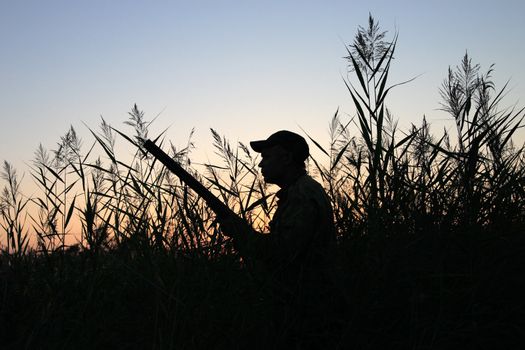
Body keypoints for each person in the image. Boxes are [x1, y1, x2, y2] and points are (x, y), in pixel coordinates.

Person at [218, 130, 339, 347]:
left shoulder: (301, 195)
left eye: (266, 157)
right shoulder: (299, 191)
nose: (260, 165)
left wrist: (243, 234)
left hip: (309, 310)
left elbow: (283, 253)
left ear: (286, 158)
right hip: (305, 306)